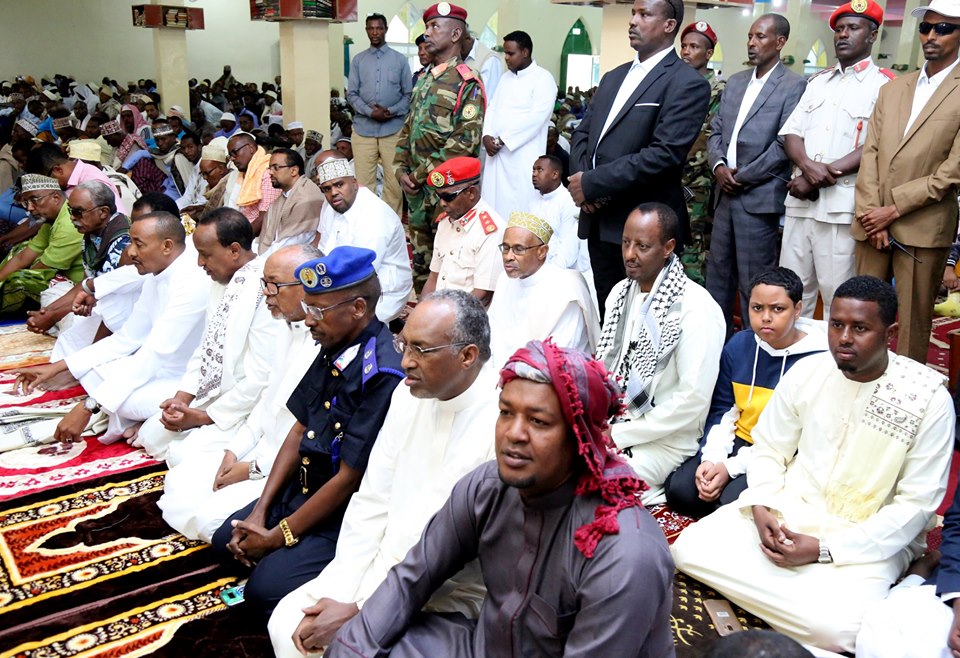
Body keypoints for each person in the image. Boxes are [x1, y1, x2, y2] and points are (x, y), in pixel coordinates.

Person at [326, 339, 675, 657]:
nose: (514, 433)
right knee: (363, 642)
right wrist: (348, 650)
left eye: (538, 421)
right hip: (485, 646)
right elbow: (412, 578)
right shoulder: (488, 487)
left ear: (580, 438)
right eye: (506, 412)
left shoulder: (624, 552)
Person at [671, 276, 955, 653]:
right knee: (688, 549)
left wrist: (823, 549)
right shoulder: (808, 372)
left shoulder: (928, 399)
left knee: (837, 629)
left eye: (860, 328)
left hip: (865, 536)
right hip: (791, 510)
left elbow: (916, 506)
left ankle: (900, 578)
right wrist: (762, 505)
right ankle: (791, 597)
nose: (844, 338)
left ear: (891, 333)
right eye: (836, 325)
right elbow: (770, 449)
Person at [268, 290, 500, 657]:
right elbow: (372, 500)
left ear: (467, 356)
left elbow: (454, 559)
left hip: (443, 595)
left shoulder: (501, 425)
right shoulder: (408, 396)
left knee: (348, 648)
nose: (405, 362)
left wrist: (365, 610)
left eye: (420, 350)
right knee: (285, 621)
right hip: (376, 567)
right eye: (403, 345)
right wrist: (343, 588)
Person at [210, 246, 404, 616]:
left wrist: (278, 536)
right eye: (308, 307)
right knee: (225, 542)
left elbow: (348, 478)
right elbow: (299, 429)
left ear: (357, 308)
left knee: (263, 592)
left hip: (336, 514)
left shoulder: (382, 372)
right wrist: (261, 512)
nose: (309, 320)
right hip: (300, 490)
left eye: (317, 310)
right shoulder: (334, 343)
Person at [158, 244, 322, 543]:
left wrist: (253, 469)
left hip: (284, 467)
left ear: (307, 285)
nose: (267, 294)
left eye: (274, 285)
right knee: (178, 483)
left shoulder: (323, 343)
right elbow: (266, 401)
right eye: (264, 284)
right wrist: (234, 452)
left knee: (210, 522)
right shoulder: (286, 327)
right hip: (258, 446)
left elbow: (304, 433)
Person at [13, 211, 212, 443]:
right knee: (94, 373)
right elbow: (126, 338)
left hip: (187, 380)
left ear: (167, 246)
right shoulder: (157, 273)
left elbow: (154, 354)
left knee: (126, 401)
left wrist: (88, 407)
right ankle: (127, 416)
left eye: (138, 244)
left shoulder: (191, 283)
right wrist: (56, 367)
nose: (130, 252)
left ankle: (141, 418)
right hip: (156, 369)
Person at [570, 0, 711, 315]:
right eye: (633, 13)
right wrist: (584, 186)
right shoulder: (613, 77)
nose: (633, 21)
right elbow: (582, 135)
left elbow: (664, 154)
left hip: (645, 227)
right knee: (609, 315)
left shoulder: (687, 83)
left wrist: (593, 184)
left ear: (669, 25)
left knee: (645, 319)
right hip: (600, 221)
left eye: (644, 14)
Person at [663, 267, 827, 518]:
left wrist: (730, 468)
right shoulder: (740, 345)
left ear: (797, 309)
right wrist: (713, 459)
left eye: (778, 309)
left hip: (780, 451)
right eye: (757, 308)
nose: (766, 317)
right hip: (740, 437)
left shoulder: (817, 359)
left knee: (731, 503)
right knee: (681, 491)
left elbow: (795, 437)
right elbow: (722, 408)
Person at [595, 202, 725, 505]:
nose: (629, 254)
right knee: (552, 459)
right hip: (613, 424)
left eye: (642, 246)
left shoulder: (696, 307)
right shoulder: (619, 294)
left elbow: (692, 399)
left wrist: (619, 435)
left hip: (666, 441)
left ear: (668, 247)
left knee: (592, 483)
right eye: (626, 243)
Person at [853, 0, 960, 364]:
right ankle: (857, 382)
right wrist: (873, 214)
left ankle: (905, 393)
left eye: (943, 29)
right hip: (873, 225)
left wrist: (894, 209)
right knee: (862, 314)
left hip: (922, 225)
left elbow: (953, 170)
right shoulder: (895, 88)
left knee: (913, 326)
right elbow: (870, 154)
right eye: (925, 28)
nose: (931, 36)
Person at [133, 208, 283, 460]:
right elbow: (206, 347)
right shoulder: (220, 282)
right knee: (150, 436)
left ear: (234, 250)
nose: (200, 263)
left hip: (248, 406)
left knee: (180, 457)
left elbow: (261, 378)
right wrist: (181, 400)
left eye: (205, 255)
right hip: (213, 395)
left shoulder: (265, 290)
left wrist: (204, 417)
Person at [780, 1, 891, 322]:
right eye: (839, 29)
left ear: (872, 35)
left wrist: (819, 174)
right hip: (801, 203)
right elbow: (791, 133)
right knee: (792, 293)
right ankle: (794, 354)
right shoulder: (817, 82)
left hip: (840, 207)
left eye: (853, 28)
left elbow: (877, 144)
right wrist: (808, 168)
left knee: (837, 297)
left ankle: (832, 356)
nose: (843, 34)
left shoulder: (885, 85)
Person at [706, 13, 806, 335]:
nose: (751, 43)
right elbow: (716, 131)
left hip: (756, 197)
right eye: (750, 36)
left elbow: (783, 143)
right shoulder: (736, 82)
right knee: (717, 279)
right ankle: (716, 346)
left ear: (779, 42)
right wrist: (719, 167)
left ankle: (754, 348)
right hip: (725, 193)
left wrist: (743, 176)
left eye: (760, 37)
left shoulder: (793, 85)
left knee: (755, 284)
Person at [395, 2, 485, 292]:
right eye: (427, 26)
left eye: (435, 26)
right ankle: (424, 311)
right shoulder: (424, 78)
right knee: (422, 263)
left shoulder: (467, 82)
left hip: (446, 191)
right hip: (416, 191)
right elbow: (408, 128)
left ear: (456, 34)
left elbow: (465, 141)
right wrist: (400, 169)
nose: (427, 33)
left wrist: (419, 174)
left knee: (450, 265)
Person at [488, 211, 599, 367]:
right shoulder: (504, 280)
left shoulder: (567, 288)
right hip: (500, 369)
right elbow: (491, 334)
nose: (508, 256)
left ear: (542, 252)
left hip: (549, 374)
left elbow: (560, 355)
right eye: (505, 248)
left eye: (518, 249)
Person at [25, 181, 130, 337]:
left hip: (113, 308)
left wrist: (55, 314)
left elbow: (109, 296)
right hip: (92, 299)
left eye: (78, 212)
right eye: (70, 211)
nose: (72, 218)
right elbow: (86, 283)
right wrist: (48, 312)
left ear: (103, 212)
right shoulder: (91, 233)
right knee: (53, 292)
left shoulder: (124, 242)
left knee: (76, 323)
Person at [314, 158, 413, 322]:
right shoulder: (332, 206)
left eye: (339, 185)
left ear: (354, 183)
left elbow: (363, 270)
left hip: (381, 289)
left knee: (331, 321)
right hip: (342, 279)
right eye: (327, 189)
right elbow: (323, 251)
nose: (333, 192)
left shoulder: (374, 214)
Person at [480, 31, 557, 221]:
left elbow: (536, 118)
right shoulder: (505, 78)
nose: (506, 58)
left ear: (525, 52)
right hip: (496, 155)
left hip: (521, 155)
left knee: (518, 208)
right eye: (505, 53)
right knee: (492, 205)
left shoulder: (543, 78)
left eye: (510, 53)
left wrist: (502, 140)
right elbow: (492, 108)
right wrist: (487, 136)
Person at [347, 12, 412, 218]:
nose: (375, 32)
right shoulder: (358, 60)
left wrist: (390, 112)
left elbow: (408, 95)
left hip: (393, 129)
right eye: (371, 28)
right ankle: (367, 223)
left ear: (385, 30)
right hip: (363, 130)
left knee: (394, 182)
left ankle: (391, 223)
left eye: (379, 28)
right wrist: (370, 112)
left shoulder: (400, 60)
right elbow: (351, 94)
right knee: (363, 183)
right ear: (366, 30)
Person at [421, 156, 503, 306]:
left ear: (471, 193)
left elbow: (483, 295)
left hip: (467, 315)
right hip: (439, 311)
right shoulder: (445, 222)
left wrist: (441, 318)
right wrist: (420, 313)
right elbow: (433, 279)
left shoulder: (491, 230)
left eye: (448, 197)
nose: (442, 203)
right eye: (439, 196)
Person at [678, 20, 725, 285]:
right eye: (684, 46)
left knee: (691, 241)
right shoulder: (674, 84)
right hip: (666, 175)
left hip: (694, 179)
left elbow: (708, 136)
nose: (687, 51)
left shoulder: (717, 90)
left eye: (694, 47)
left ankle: (693, 292)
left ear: (708, 54)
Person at [0, 175, 83, 314]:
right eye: (26, 202)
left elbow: (42, 267)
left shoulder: (69, 225)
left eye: (34, 200)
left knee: (19, 279)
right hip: (57, 272)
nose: (30, 208)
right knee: (19, 249)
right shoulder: (50, 219)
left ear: (55, 197)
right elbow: (24, 256)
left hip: (74, 287)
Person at [530, 154, 592, 287]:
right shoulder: (534, 199)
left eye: (539, 170)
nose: (534, 174)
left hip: (557, 273)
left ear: (555, 174)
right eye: (533, 170)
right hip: (534, 266)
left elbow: (568, 246)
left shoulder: (568, 201)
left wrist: (550, 272)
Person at [27, 142, 127, 214]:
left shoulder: (91, 182)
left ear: (58, 170)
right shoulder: (74, 178)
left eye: (47, 179)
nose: (48, 185)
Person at [258, 148, 323, 256]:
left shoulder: (306, 197)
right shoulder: (284, 196)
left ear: (294, 171)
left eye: (276, 168)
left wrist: (258, 261)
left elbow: (290, 244)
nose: (270, 172)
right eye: (270, 168)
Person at [120, 123, 195, 201]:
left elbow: (187, 185)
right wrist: (123, 168)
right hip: (165, 185)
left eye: (163, 139)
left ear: (173, 138)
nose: (160, 143)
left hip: (177, 194)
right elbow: (140, 153)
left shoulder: (181, 155)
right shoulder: (160, 152)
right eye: (157, 140)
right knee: (142, 162)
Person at [226, 132, 279, 233]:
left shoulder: (267, 173)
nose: (232, 158)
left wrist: (240, 238)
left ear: (250, 148)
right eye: (230, 155)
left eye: (234, 152)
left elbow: (265, 218)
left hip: (256, 235)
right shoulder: (244, 173)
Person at [461, 28, 504, 98]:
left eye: (455, 45)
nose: (453, 49)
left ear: (467, 38)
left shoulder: (490, 60)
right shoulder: (457, 57)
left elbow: (486, 98)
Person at [196, 140, 233, 219]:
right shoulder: (214, 188)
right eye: (202, 174)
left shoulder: (231, 185)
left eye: (207, 173)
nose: (205, 178)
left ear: (221, 169)